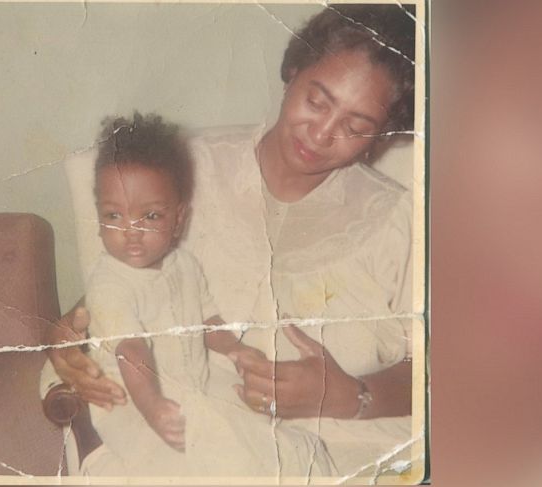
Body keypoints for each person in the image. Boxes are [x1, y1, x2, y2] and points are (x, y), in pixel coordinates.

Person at [48, 4, 418, 476]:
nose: (321, 133)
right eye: (318, 101)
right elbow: (126, 281)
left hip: (351, 450)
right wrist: (60, 337)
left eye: (355, 126)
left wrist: (351, 395)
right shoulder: (188, 171)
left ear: (380, 137)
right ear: (292, 72)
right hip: (192, 439)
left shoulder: (400, 220)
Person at [82, 112, 334, 476]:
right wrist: (153, 407)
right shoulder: (109, 284)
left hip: (194, 382)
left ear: (178, 219)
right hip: (135, 404)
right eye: (114, 215)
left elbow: (207, 319)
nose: (131, 231)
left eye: (150, 216)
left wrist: (234, 347)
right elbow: (130, 350)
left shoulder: (183, 264)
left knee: (265, 446)